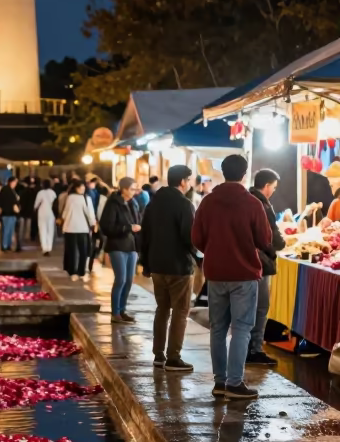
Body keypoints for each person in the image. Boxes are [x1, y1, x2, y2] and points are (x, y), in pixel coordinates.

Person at [191, 153, 272, 401]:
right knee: (242, 329)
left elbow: (196, 239)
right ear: (244, 174)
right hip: (244, 274)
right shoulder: (252, 204)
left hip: (215, 273)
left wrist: (215, 251)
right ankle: (235, 383)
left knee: (218, 328)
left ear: (222, 173)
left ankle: (219, 382)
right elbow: (265, 240)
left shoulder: (208, 202)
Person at [140, 164, 196, 372]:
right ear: (183, 181)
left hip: (157, 266)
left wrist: (146, 263)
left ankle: (158, 355)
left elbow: (144, 235)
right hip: (179, 266)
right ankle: (174, 357)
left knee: (162, 309)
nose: (189, 184)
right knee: (181, 311)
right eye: (189, 180)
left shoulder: (153, 203)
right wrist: (197, 256)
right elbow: (190, 237)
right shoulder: (184, 204)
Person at [247, 168, 286, 366]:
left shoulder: (246, 200)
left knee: (248, 308)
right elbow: (271, 235)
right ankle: (254, 350)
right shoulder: (262, 204)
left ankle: (247, 348)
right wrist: (280, 244)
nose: (273, 191)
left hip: (248, 261)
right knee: (261, 307)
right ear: (267, 185)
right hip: (261, 261)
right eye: (274, 187)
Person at [99, 177, 141, 322]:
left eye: (135, 189)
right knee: (121, 279)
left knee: (129, 280)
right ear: (123, 189)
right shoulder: (113, 203)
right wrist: (127, 228)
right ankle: (115, 312)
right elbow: (106, 227)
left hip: (131, 246)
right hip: (117, 246)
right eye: (132, 189)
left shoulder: (133, 203)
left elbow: (138, 221)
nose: (134, 192)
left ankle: (122, 310)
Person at [61, 180, 96, 280]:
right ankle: (81, 271)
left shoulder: (69, 197)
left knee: (71, 251)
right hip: (83, 228)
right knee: (83, 251)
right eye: (81, 188)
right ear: (76, 188)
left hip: (69, 228)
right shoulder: (86, 198)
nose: (83, 190)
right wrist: (93, 224)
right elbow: (90, 214)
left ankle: (72, 272)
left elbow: (65, 213)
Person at [0, 177, 20, 252]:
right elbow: (10, 201)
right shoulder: (7, 190)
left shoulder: (9, 190)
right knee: (7, 230)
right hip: (8, 213)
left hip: (10, 213)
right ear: (11, 182)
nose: (15, 184)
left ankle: (7, 245)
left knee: (9, 230)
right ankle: (5, 245)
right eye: (15, 182)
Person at [34, 179, 57, 254]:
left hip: (42, 213)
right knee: (50, 231)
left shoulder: (40, 193)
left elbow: (36, 204)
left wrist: (34, 209)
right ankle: (49, 247)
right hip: (51, 213)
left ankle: (44, 248)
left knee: (42, 230)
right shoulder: (53, 193)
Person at [17, 178, 37, 251]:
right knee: (28, 224)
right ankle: (27, 237)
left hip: (23, 211)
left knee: (22, 226)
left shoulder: (22, 192)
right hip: (30, 211)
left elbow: (20, 201)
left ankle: (21, 237)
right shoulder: (35, 192)